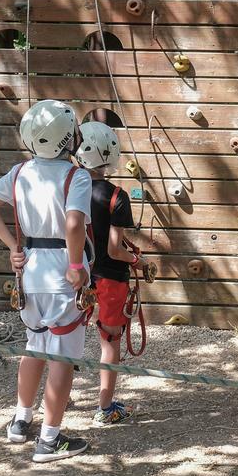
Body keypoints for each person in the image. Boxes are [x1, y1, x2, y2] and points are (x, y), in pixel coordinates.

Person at [0, 99, 93, 463]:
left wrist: (13, 245)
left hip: (30, 267)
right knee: (61, 356)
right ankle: (49, 438)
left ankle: (20, 421)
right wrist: (76, 264)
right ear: (64, 139)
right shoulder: (77, 176)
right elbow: (74, 223)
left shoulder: (20, 172)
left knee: (35, 344)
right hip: (61, 269)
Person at [75, 120, 146, 426]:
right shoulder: (117, 197)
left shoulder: (71, 189)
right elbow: (115, 249)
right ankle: (105, 407)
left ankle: (58, 402)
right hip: (110, 277)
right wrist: (137, 261)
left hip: (79, 274)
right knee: (110, 341)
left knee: (67, 337)